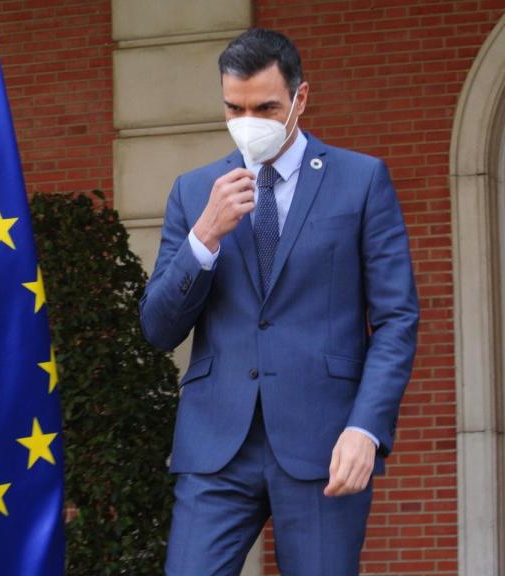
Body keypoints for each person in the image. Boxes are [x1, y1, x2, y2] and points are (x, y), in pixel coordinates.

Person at [140, 28, 418, 575]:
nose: (249, 120)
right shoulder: (194, 192)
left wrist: (366, 428)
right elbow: (158, 328)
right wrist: (205, 236)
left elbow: (396, 319)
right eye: (235, 108)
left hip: (325, 441)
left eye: (266, 107)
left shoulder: (361, 180)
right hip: (216, 445)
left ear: (299, 98)